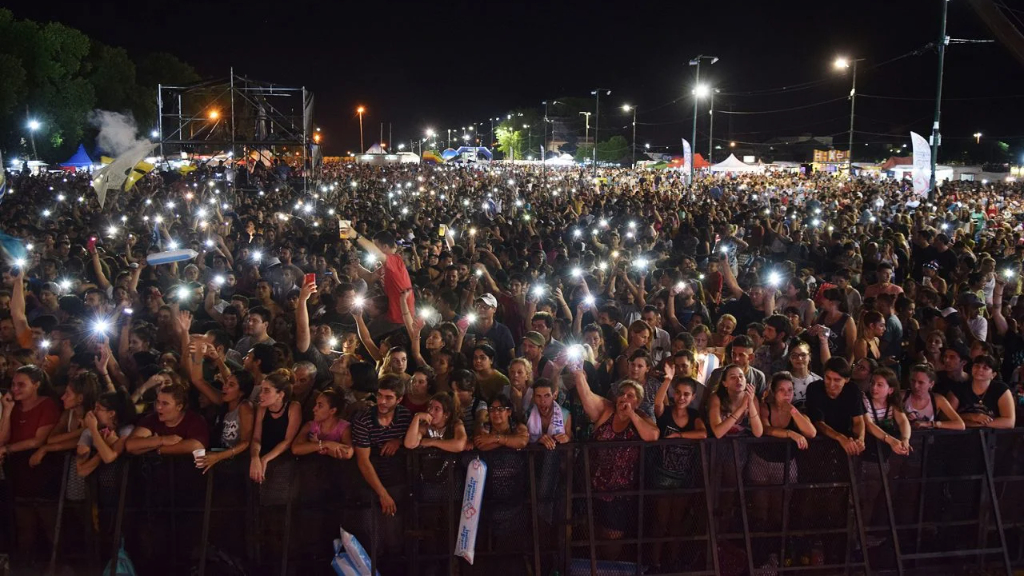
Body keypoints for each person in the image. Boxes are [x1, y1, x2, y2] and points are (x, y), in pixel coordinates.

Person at [571, 369, 658, 553]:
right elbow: (586, 395)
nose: (624, 398)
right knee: (590, 532)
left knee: (613, 536)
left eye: (630, 395)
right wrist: (578, 373)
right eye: (621, 394)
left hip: (620, 493)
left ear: (638, 402)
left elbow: (652, 435)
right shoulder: (607, 410)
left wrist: (632, 414)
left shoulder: (641, 418)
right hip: (592, 487)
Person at [352, 374, 412, 516]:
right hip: (369, 484)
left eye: (389, 397)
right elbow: (363, 461)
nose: (382, 401)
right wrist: (383, 494)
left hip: (399, 482)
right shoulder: (363, 420)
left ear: (399, 399)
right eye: (379, 395)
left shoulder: (406, 416)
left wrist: (399, 440)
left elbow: (415, 439)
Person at [249, 369, 302, 483]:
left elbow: (287, 441)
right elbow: (256, 438)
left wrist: (265, 459)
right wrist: (255, 458)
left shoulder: (293, 408)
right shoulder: (261, 408)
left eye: (266, 391)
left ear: (280, 395)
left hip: (283, 458)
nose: (261, 395)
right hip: (263, 451)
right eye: (261, 390)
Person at [804, 358, 865, 457]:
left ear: (847, 380)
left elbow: (858, 420)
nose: (831, 384)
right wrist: (840, 438)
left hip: (846, 444)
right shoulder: (814, 388)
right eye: (828, 378)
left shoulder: (853, 389)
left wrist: (860, 439)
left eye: (837, 380)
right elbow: (819, 423)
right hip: (817, 445)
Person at [946, 354, 1016, 429]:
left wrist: (980, 424)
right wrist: (972, 417)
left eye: (985, 368)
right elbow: (946, 417)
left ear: (993, 374)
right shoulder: (959, 388)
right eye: (977, 366)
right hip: (961, 435)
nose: (980, 369)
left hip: (992, 436)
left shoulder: (1001, 389)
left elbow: (1009, 422)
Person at [291, 389, 353, 459]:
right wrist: (326, 444)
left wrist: (316, 446)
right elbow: (296, 449)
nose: (314, 409)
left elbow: (347, 453)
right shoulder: (310, 425)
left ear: (332, 411)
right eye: (315, 404)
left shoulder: (344, 429)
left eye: (320, 406)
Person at [903, 364, 964, 430]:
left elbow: (960, 425)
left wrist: (929, 424)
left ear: (931, 384)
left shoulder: (938, 400)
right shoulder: (902, 396)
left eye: (921, 382)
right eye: (913, 381)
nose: (915, 386)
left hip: (928, 438)